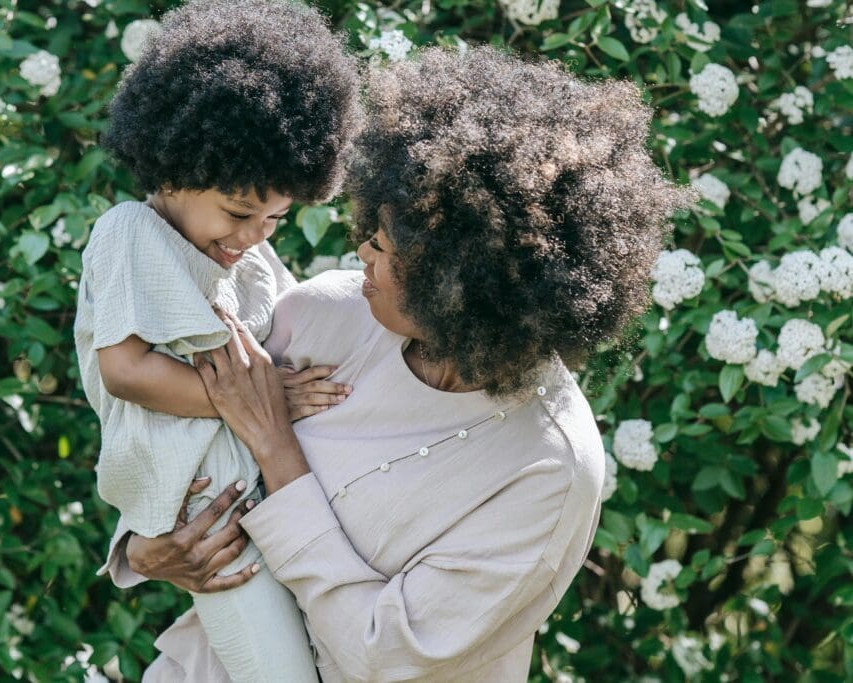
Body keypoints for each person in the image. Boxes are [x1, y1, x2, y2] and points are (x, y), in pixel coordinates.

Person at [106, 47, 694, 681]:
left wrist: (278, 447)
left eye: (383, 246)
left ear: (462, 282)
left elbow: (387, 654)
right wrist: (147, 550)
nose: (360, 249)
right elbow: (186, 440)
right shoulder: (326, 314)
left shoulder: (548, 471)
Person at [74, 1, 360, 680]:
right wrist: (266, 401)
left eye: (276, 217)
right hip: (209, 518)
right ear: (173, 164)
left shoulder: (250, 260)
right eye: (238, 212)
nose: (254, 233)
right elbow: (127, 370)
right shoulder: (129, 232)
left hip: (268, 499)